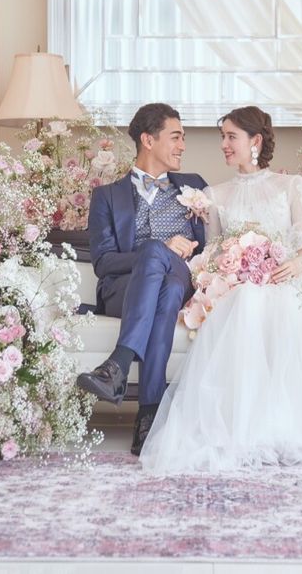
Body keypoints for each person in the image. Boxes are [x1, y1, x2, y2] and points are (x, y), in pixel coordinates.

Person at [139, 106, 302, 473]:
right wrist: (226, 270)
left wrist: (295, 264)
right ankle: (238, 428)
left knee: (269, 303)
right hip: (237, 288)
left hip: (284, 281)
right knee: (246, 301)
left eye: (231, 137)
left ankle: (282, 426)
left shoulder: (292, 186)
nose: (223, 145)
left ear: (255, 140)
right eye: (222, 137)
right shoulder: (214, 195)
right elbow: (213, 252)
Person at [77, 103, 207, 456]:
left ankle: (118, 365)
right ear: (148, 140)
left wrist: (300, 194)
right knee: (163, 285)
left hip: (181, 277)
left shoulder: (195, 187)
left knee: (170, 280)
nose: (182, 146)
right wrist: (157, 249)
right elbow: (104, 262)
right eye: (175, 137)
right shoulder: (107, 196)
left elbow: (231, 215)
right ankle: (149, 413)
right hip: (125, 289)